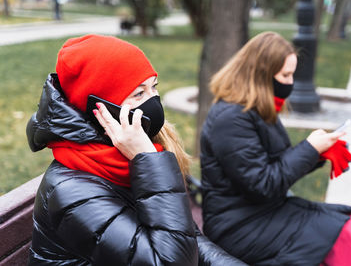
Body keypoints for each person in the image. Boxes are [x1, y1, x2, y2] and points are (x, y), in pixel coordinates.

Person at [26, 34, 247, 265]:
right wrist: (149, 159)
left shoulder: (119, 158)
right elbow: (171, 261)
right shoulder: (73, 194)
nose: (153, 102)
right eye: (139, 94)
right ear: (99, 109)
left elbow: (190, 240)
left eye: (154, 88)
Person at [200, 32, 351, 265]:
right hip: (237, 226)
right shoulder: (230, 118)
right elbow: (262, 185)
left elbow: (275, 164)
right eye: (285, 75)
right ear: (261, 74)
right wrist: (310, 149)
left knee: (346, 222)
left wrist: (319, 153)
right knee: (336, 231)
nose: (290, 82)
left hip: (260, 212)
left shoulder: (256, 108)